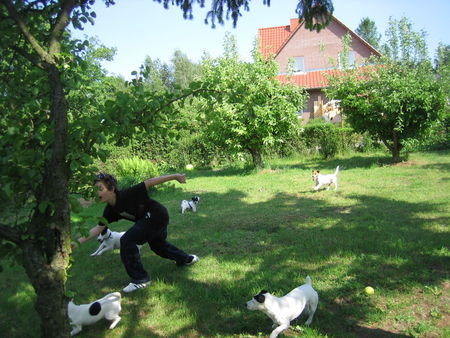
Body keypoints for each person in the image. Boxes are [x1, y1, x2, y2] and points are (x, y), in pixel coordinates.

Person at [75, 172, 199, 293]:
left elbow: (149, 182)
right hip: (151, 220)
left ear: (112, 188)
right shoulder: (110, 210)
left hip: (157, 214)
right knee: (158, 246)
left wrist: (175, 176)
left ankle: (140, 279)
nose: (96, 193)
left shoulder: (128, 194)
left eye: (100, 188)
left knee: (127, 240)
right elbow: (98, 228)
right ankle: (186, 259)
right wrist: (76, 243)